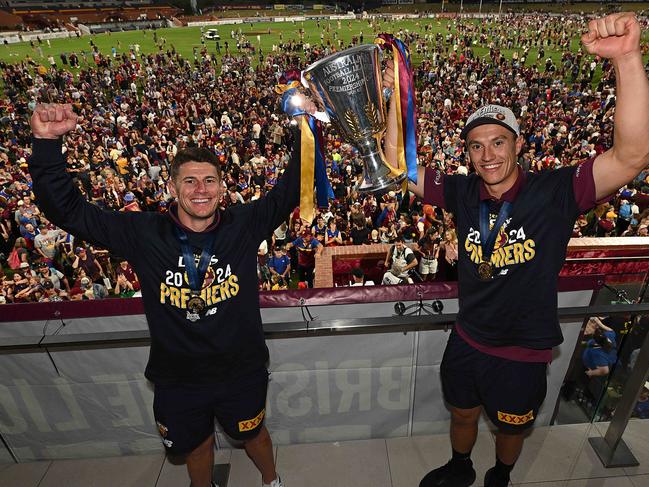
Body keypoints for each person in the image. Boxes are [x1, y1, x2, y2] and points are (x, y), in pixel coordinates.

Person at [383, 12, 649, 487]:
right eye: (477, 146)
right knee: (462, 414)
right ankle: (461, 465)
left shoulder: (555, 190)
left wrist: (627, 58)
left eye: (498, 142)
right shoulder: (463, 192)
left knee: (510, 428)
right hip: (467, 337)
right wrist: (393, 97)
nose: (488, 156)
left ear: (519, 144)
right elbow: (397, 166)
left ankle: (501, 474)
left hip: (523, 349)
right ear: (466, 153)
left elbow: (632, 156)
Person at [27, 101, 314, 487]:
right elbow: (68, 211)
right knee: (194, 448)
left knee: (254, 434)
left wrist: (307, 125)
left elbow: (293, 187)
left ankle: (271, 480)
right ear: (172, 186)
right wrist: (46, 145)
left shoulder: (243, 225)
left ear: (222, 187)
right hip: (178, 378)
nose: (200, 190)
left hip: (240, 370)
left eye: (209, 180)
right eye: (190, 181)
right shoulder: (144, 233)